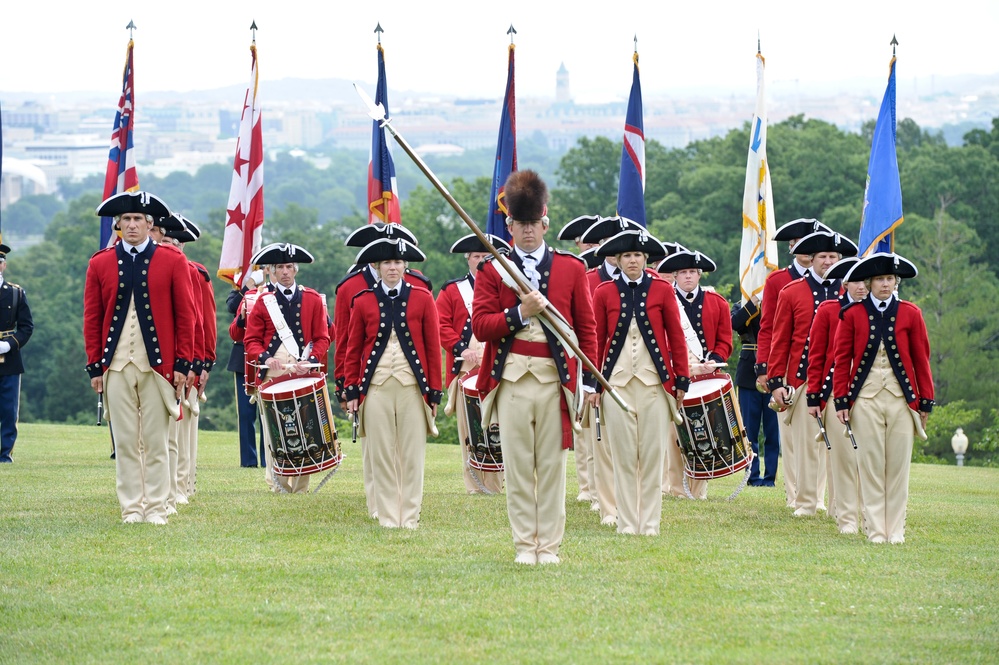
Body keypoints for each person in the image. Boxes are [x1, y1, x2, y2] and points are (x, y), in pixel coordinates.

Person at [471, 169, 597, 565]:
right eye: (520, 224)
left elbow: (586, 329)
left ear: (546, 222)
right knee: (520, 469)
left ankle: (550, 546)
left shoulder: (572, 269)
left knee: (553, 468)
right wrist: (518, 313)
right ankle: (526, 545)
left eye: (534, 224)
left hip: (553, 381)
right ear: (509, 225)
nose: (528, 232)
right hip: (510, 381)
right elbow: (481, 326)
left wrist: (589, 383)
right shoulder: (493, 271)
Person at [84, 191, 196, 524]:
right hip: (115, 366)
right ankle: (132, 508)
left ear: (150, 225)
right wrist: (95, 366)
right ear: (117, 225)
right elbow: (92, 318)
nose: (132, 225)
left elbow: (186, 317)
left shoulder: (173, 260)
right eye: (127, 220)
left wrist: (183, 365)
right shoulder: (100, 262)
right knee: (126, 442)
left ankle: (157, 508)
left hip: (158, 367)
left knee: (157, 441)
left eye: (139, 220)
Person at [589, 230, 689, 535]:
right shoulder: (604, 292)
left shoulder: (661, 290)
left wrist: (681, 380)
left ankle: (650, 523)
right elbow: (595, 341)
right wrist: (594, 386)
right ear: (618, 260)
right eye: (627, 256)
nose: (633, 261)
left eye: (638, 256)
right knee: (622, 456)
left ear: (646, 259)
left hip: (654, 385)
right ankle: (627, 523)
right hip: (615, 385)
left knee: (651, 455)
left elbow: (676, 338)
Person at [834, 253, 933, 544]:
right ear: (869, 282)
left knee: (899, 467)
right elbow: (842, 361)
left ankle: (896, 530)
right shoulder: (851, 314)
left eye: (890, 279)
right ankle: (876, 530)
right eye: (879, 279)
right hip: (865, 400)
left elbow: (921, 359)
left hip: (902, 400)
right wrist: (841, 401)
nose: (885, 284)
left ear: (896, 281)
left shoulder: (911, 313)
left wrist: (925, 400)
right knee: (871, 464)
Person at [333, 222, 428, 519]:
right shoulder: (350, 288)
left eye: (396, 257)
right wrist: (345, 387)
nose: (391, 263)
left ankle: (406, 507)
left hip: (408, 380)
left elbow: (427, 339)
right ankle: (379, 507)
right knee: (376, 450)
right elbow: (346, 342)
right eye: (385, 257)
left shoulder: (420, 286)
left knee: (408, 450)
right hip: (371, 380)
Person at [767, 230, 858, 517]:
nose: (828, 261)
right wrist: (776, 381)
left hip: (842, 380)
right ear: (811, 259)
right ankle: (806, 502)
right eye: (823, 257)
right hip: (805, 379)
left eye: (833, 257)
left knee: (840, 446)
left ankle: (835, 505)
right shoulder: (791, 292)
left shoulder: (850, 293)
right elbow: (780, 339)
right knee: (807, 445)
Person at [756, 218, 832, 507]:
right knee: (792, 437)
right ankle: (795, 494)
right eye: (798, 244)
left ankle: (816, 496)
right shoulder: (779, 282)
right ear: (793, 248)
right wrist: (765, 369)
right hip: (790, 369)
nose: (804, 249)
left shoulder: (836, 282)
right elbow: (770, 329)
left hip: (824, 373)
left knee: (822, 439)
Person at [244, 243, 331, 494]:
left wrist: (312, 358)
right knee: (275, 429)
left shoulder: (313, 299)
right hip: (274, 371)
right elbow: (251, 340)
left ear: (296, 270)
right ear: (271, 271)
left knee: (306, 428)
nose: (284, 272)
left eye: (289, 267)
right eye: (279, 267)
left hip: (303, 369)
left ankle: (301, 487)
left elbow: (323, 337)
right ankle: (278, 485)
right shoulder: (263, 302)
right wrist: (264, 356)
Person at [576, 215, 644, 526]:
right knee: (601, 441)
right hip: (597, 367)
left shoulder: (648, 280)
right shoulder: (589, 279)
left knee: (639, 442)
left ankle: (635, 500)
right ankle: (607, 504)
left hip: (640, 372)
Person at [436, 232, 511, 495]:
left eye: (486, 256)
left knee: (500, 426)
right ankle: (474, 485)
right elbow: (441, 325)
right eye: (477, 256)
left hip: (499, 364)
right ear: (468, 259)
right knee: (469, 429)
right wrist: (461, 348)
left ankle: (498, 483)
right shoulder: (452, 290)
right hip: (466, 368)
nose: (481, 261)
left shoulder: (505, 287)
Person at [657, 249, 733, 499]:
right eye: (683, 273)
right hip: (677, 374)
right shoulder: (665, 301)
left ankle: (698, 489)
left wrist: (716, 359)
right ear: (675, 276)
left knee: (704, 433)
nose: (688, 277)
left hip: (707, 375)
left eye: (692, 272)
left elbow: (725, 340)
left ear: (699, 275)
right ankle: (675, 487)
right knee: (674, 434)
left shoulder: (717, 302)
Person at [806, 256, 865, 534]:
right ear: (844, 283)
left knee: (866, 459)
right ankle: (844, 513)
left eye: (866, 281)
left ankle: (867, 512)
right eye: (855, 281)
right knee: (841, 458)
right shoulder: (829, 310)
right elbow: (816, 356)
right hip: (834, 394)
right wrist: (814, 396)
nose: (861, 287)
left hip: (868, 395)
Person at [556, 214, 600, 503]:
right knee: (584, 429)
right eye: (586, 243)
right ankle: (586, 486)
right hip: (583, 354)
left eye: (597, 241)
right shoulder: (582, 275)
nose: (592, 247)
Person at [226, 265, 273, 468]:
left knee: (267, 413)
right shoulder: (243, 289)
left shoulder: (275, 292)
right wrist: (249, 285)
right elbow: (231, 306)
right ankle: (248, 460)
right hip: (243, 357)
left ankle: (267, 459)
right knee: (246, 413)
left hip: (270, 357)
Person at [731, 294, 779, 486]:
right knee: (749, 430)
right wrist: (753, 303)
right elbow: (735, 323)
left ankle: (770, 477)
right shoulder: (740, 306)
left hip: (774, 368)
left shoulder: (777, 303)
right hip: (748, 371)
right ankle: (752, 475)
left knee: (772, 430)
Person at [0, 243, 34, 464]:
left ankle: (4, 454)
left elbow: (26, 327)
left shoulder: (15, 293)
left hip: (9, 358)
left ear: (3, 265)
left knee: (9, 410)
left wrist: (9, 344)